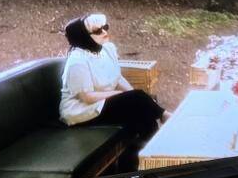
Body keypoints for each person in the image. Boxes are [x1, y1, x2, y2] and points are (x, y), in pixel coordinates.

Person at [60, 14, 165, 166]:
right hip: (81, 111)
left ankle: (135, 165)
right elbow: (86, 97)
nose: (104, 32)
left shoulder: (106, 49)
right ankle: (165, 116)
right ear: (83, 37)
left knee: (145, 117)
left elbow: (117, 78)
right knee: (140, 103)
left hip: (101, 102)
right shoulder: (77, 61)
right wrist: (124, 95)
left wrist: (134, 96)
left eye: (105, 27)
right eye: (98, 31)